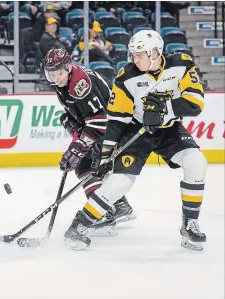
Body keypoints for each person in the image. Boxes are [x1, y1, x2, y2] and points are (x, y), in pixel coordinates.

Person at [67, 29, 207, 251]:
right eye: (132, 54)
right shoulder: (126, 76)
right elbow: (116, 120)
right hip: (136, 131)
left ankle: (190, 225)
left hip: (168, 130)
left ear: (154, 52)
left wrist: (163, 109)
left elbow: (196, 103)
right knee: (122, 181)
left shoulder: (181, 63)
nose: (134, 58)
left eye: (139, 54)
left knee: (196, 162)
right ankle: (79, 226)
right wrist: (105, 154)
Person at [43, 48, 136, 236]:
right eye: (51, 73)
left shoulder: (79, 83)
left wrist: (79, 146)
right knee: (86, 163)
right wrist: (76, 135)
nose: (55, 78)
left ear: (68, 68)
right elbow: (86, 119)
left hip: (116, 126)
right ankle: (120, 205)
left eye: (59, 73)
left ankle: (102, 214)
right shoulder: (63, 81)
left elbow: (99, 120)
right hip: (109, 125)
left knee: (88, 164)